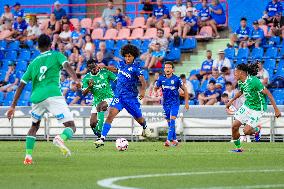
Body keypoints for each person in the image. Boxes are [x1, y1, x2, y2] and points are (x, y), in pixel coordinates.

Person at [6, 34, 81, 165]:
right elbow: (67, 66)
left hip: (37, 98)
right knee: (71, 126)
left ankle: (28, 156)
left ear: (38, 47)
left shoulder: (33, 63)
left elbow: (21, 85)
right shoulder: (56, 55)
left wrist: (13, 106)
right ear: (50, 44)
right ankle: (60, 138)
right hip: (53, 94)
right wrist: (76, 79)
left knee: (34, 126)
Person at [94, 44, 152, 148]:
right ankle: (102, 138)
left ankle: (145, 126)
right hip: (119, 97)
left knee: (139, 118)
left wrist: (143, 92)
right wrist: (105, 67)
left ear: (134, 56)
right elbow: (116, 70)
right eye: (126, 56)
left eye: (130, 56)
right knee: (110, 115)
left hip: (130, 98)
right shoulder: (121, 64)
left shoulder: (136, 68)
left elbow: (143, 82)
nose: (127, 58)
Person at [226, 63, 281, 152]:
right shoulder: (240, 81)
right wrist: (230, 102)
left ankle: (257, 129)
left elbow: (269, 94)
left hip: (258, 108)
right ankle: (239, 148)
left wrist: (276, 109)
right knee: (234, 126)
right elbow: (241, 92)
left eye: (235, 72)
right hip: (247, 105)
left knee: (246, 131)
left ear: (241, 72)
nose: (234, 74)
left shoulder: (254, 81)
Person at [155, 62, 189, 146]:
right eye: (166, 67)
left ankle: (168, 140)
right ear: (164, 69)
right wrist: (156, 90)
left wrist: (186, 103)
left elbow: (185, 90)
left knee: (172, 120)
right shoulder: (161, 79)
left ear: (172, 69)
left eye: (169, 67)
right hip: (165, 103)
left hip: (175, 103)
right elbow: (155, 88)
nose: (167, 69)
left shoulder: (177, 79)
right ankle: (175, 140)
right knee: (169, 122)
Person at [82, 59, 117, 139]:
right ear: (89, 69)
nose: (95, 69)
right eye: (92, 68)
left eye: (95, 66)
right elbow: (83, 93)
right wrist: (89, 87)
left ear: (97, 65)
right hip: (96, 100)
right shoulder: (86, 78)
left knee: (101, 106)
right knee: (92, 124)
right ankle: (98, 134)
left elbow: (117, 80)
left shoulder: (105, 72)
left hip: (109, 97)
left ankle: (101, 136)